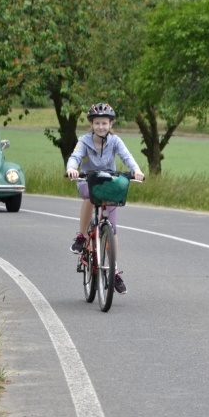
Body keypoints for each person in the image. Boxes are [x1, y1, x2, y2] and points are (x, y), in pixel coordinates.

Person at [66, 103, 144, 294]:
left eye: (105, 123)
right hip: (88, 181)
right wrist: (72, 168)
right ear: (92, 124)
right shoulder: (84, 141)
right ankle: (82, 236)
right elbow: (75, 156)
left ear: (111, 124)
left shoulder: (115, 141)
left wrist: (136, 170)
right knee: (88, 195)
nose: (101, 126)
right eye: (97, 123)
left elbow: (127, 157)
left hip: (109, 181)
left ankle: (114, 271)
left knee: (113, 230)